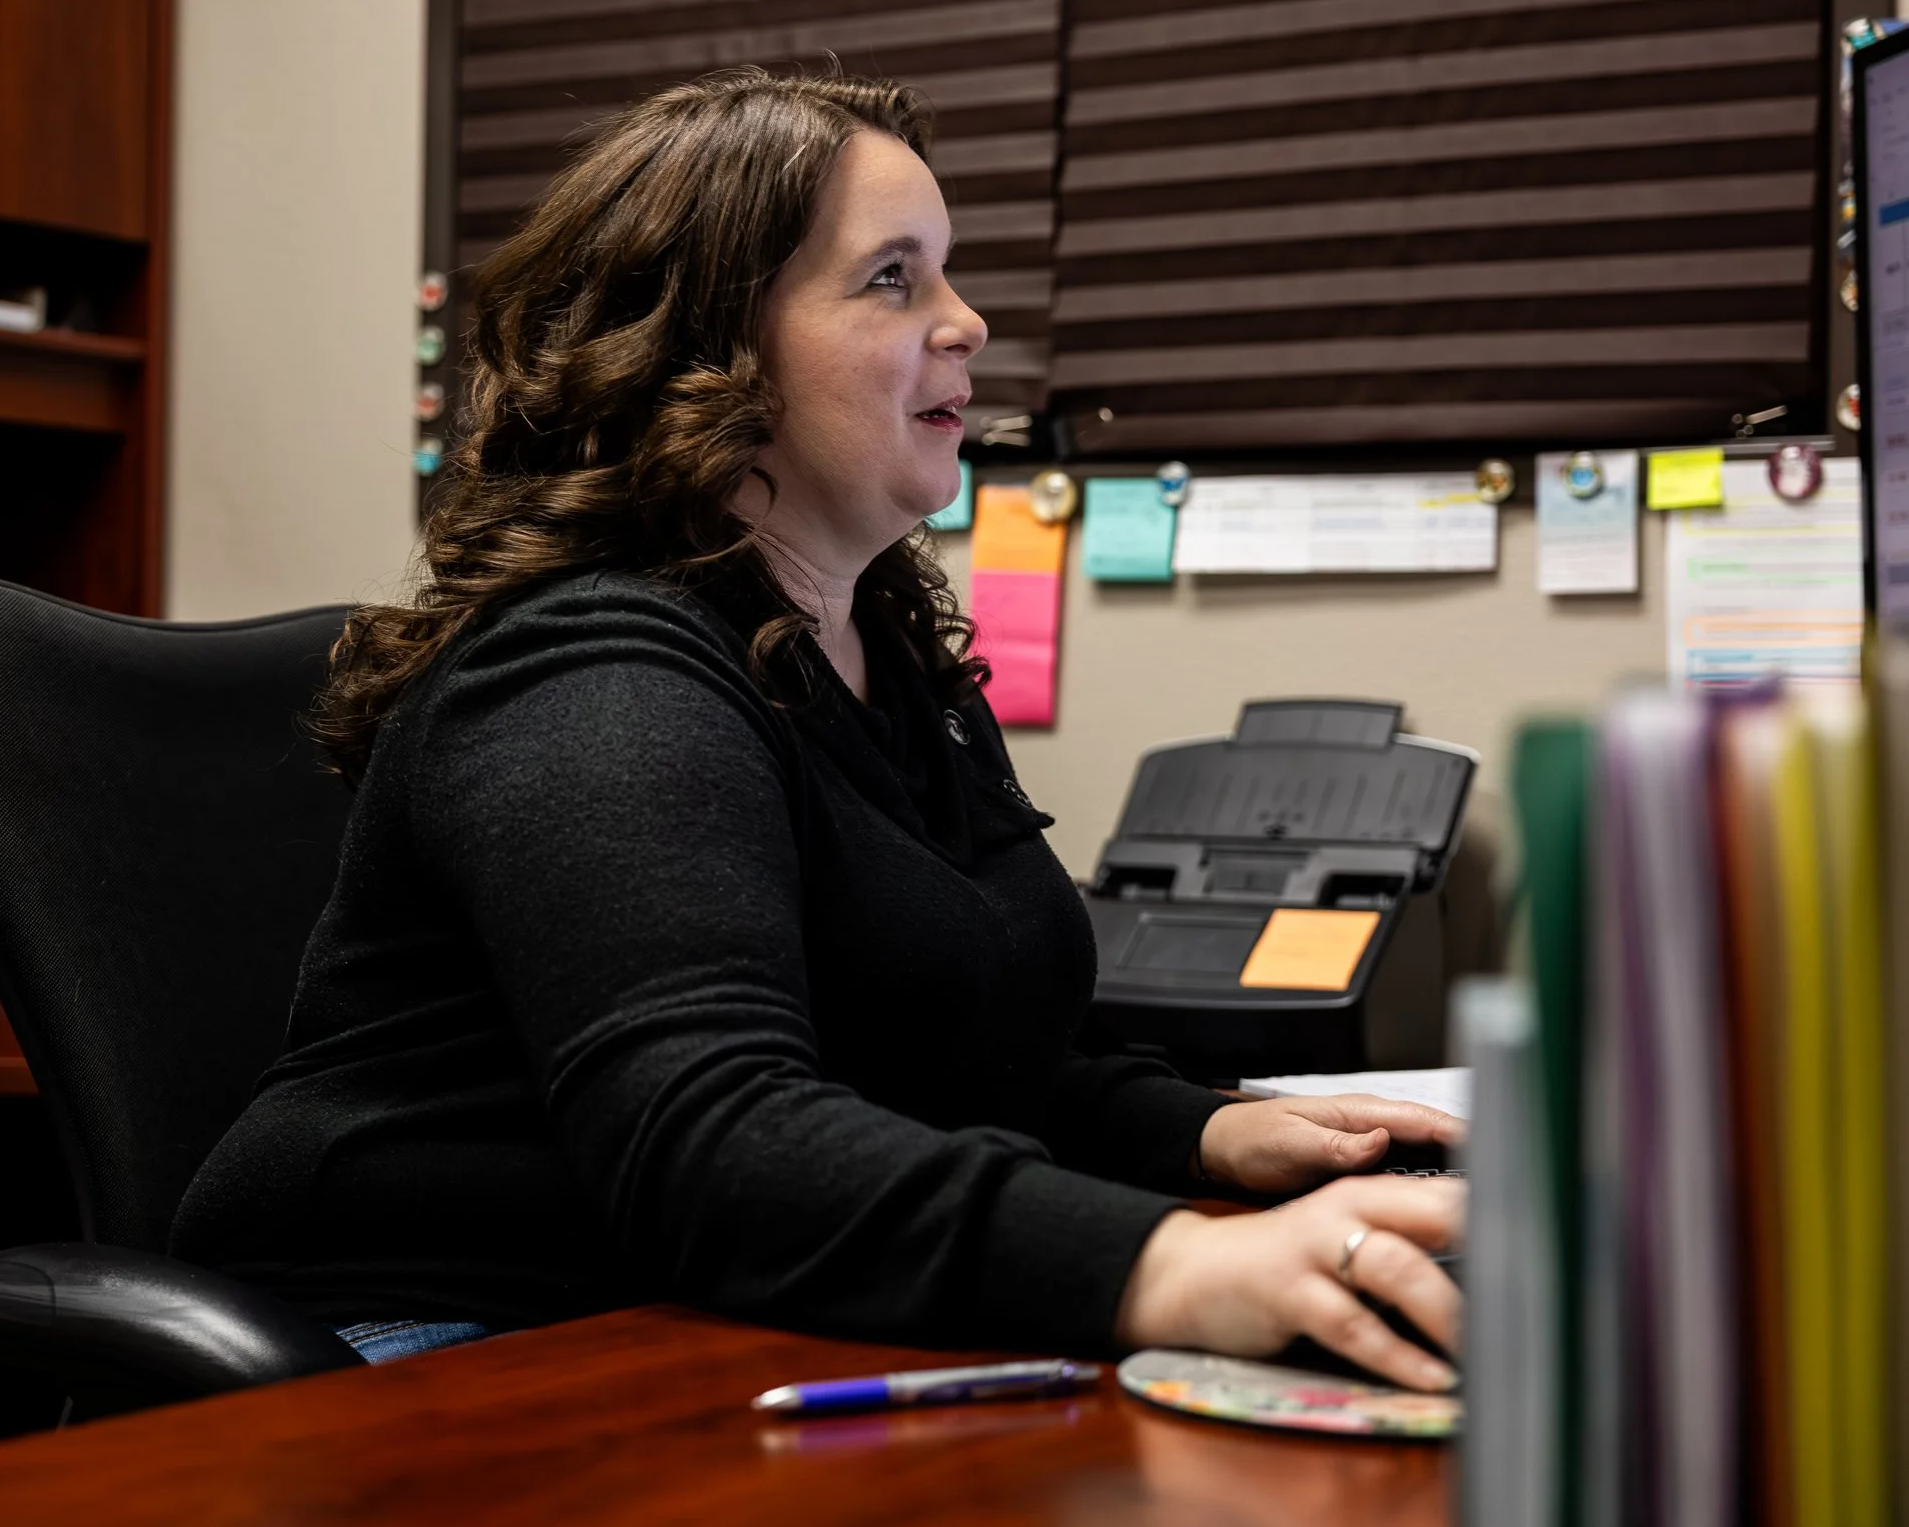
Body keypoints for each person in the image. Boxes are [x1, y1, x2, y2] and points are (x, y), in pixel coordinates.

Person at [170, 68, 1465, 1385]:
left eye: (947, 273)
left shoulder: (879, 651)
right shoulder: (590, 670)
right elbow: (712, 1143)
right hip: (434, 1353)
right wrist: (1177, 1265)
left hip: (691, 1304)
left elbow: (968, 1059)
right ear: (708, 346)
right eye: (892, 278)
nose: (964, 322)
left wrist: (1213, 1137)